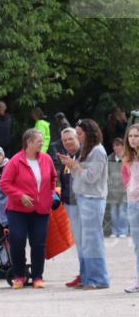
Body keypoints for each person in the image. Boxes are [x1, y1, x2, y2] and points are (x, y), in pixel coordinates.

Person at [0, 128, 59, 289]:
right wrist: (20, 196)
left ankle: (38, 277)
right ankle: (19, 276)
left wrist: (49, 194)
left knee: (39, 243)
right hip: (18, 210)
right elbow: (4, 183)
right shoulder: (15, 161)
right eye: (40, 141)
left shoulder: (46, 159)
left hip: (41, 209)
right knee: (17, 240)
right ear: (29, 142)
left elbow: (53, 178)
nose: (42, 143)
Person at [58, 119, 110, 289]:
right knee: (86, 241)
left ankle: (98, 279)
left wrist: (74, 165)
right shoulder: (88, 150)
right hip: (83, 198)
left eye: (79, 134)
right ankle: (88, 278)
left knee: (92, 240)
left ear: (89, 133)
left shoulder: (98, 151)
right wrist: (72, 165)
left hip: (93, 198)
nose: (78, 136)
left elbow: (91, 177)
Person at [52, 127, 83, 286]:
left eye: (71, 138)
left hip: (84, 203)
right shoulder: (68, 157)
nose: (68, 142)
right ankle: (83, 273)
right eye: (65, 140)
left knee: (86, 241)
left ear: (78, 138)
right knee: (79, 241)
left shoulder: (85, 155)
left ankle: (88, 274)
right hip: (70, 203)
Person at [121, 124, 139, 293]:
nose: (133, 139)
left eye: (136, 135)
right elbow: (126, 179)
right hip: (133, 205)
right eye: (131, 136)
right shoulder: (127, 159)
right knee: (137, 244)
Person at [107, 137, 128, 238]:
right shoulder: (109, 158)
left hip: (125, 189)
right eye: (114, 146)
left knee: (123, 211)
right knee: (113, 212)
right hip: (112, 189)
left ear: (123, 146)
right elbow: (106, 174)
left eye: (118, 145)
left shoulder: (128, 158)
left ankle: (123, 231)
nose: (115, 148)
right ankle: (114, 232)